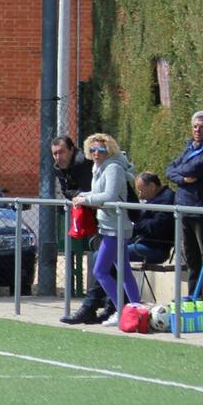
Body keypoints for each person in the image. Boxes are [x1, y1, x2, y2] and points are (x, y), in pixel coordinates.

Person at [73, 133, 138, 326]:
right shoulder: (98, 167)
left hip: (115, 227)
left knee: (100, 270)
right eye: (92, 149)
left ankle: (122, 309)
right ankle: (136, 308)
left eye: (100, 149)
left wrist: (85, 200)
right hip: (109, 225)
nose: (96, 153)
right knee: (124, 271)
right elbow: (97, 192)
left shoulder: (113, 168)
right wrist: (81, 196)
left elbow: (108, 195)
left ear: (108, 150)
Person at [166, 110, 203, 313]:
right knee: (190, 257)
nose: (197, 130)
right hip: (183, 208)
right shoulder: (190, 147)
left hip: (200, 209)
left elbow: (192, 169)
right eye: (194, 126)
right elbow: (170, 169)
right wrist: (182, 179)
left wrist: (182, 172)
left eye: (201, 127)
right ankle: (194, 295)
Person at [51, 134, 100, 315]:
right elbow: (67, 192)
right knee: (102, 261)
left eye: (61, 152)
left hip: (105, 215)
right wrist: (79, 195)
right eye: (55, 153)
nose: (58, 157)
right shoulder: (58, 168)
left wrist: (80, 195)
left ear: (72, 150)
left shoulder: (84, 162)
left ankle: (96, 304)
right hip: (91, 216)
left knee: (102, 262)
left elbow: (91, 192)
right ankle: (101, 304)